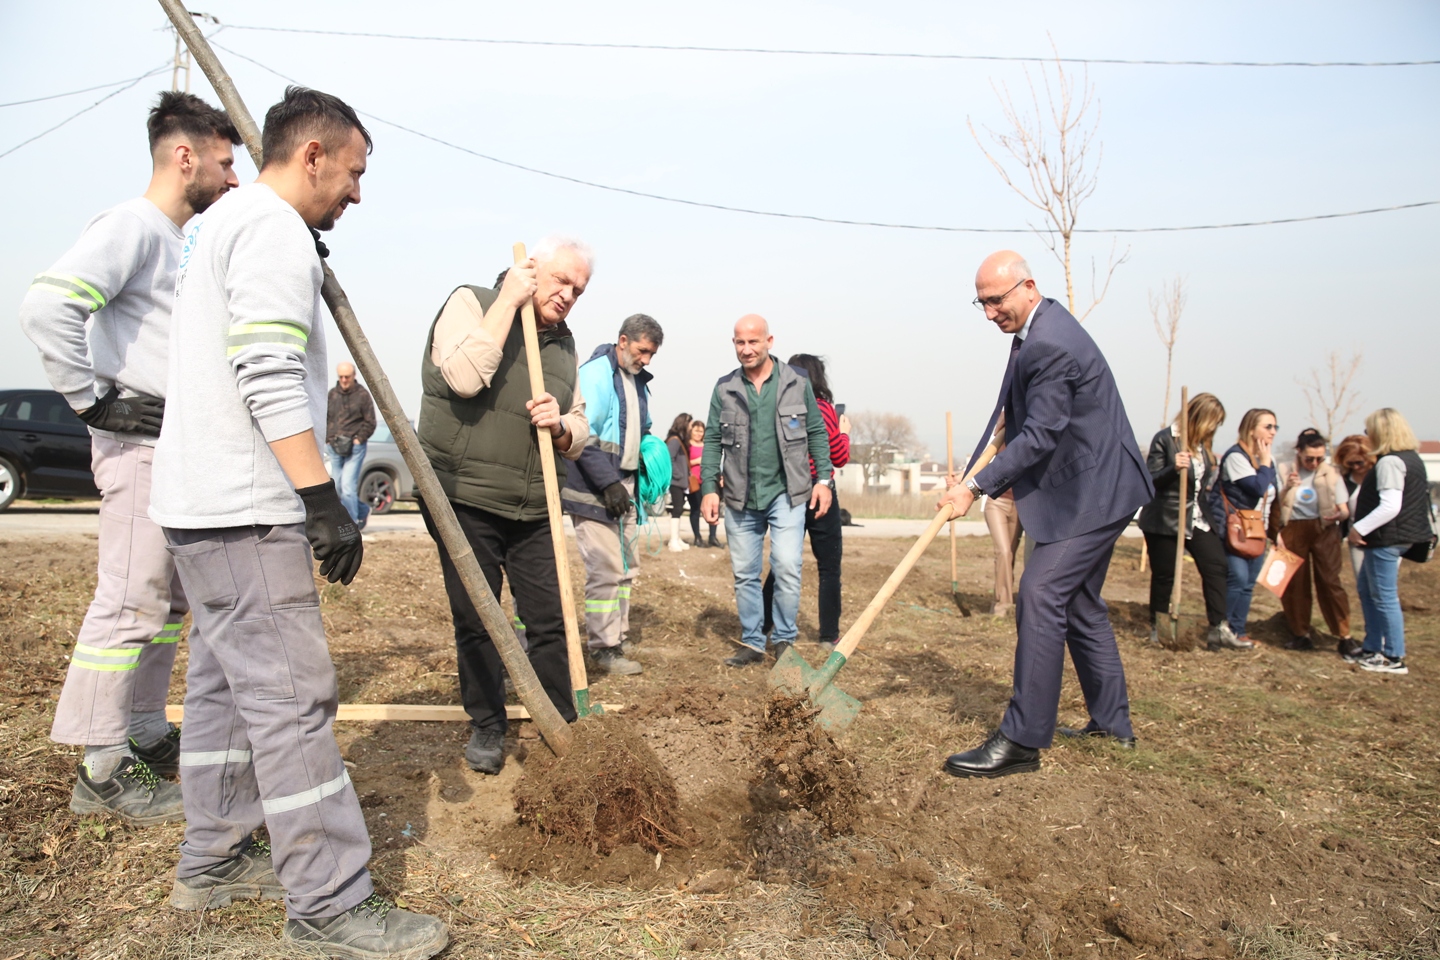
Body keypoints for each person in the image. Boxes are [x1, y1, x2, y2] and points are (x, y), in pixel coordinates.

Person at [149, 86, 446, 957]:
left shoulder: (222, 221)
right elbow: (270, 369)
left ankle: (212, 854)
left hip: (195, 505)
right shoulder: (273, 230)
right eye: (352, 173)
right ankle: (330, 903)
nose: (357, 193)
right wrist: (321, 498)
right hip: (245, 508)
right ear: (311, 155)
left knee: (222, 687)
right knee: (290, 702)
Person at [18, 92, 240, 826]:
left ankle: (142, 730)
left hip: (171, 444)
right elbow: (48, 305)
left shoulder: (176, 240)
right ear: (186, 156)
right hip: (138, 442)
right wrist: (93, 401)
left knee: (165, 605)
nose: (232, 179)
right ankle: (102, 764)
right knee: (128, 602)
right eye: (223, 161)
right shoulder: (133, 226)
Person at [937, 252, 1153, 779]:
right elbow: (1007, 419)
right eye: (981, 303)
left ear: (1028, 287)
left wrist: (977, 489)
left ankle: (1022, 739)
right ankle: (1112, 724)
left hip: (1096, 491)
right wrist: (965, 480)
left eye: (996, 300)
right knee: (1078, 603)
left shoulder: (1050, 343)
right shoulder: (1036, 332)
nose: (989, 313)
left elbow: (1038, 435)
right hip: (1092, 486)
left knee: (1039, 592)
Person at [416, 235, 591, 775]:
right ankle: (488, 724)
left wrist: (561, 426)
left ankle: (560, 722)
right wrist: (508, 304)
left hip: (535, 503)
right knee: (479, 617)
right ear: (531, 268)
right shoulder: (470, 302)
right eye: (561, 280)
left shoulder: (564, 346)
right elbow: (464, 379)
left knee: (550, 619)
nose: (568, 295)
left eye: (579, 290)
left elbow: (582, 423)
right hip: (464, 495)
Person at [699, 316, 833, 667]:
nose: (746, 349)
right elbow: (712, 439)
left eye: (753, 342)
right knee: (745, 573)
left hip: (787, 493)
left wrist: (824, 481)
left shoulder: (795, 382)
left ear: (769, 341)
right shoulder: (724, 388)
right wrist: (709, 489)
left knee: (787, 565)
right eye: (739, 343)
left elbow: (817, 432)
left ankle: (785, 640)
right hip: (740, 497)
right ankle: (753, 642)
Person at [561, 313, 663, 677]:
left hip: (626, 488)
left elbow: (639, 429)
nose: (646, 359)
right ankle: (604, 648)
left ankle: (618, 635)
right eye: (642, 350)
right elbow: (582, 437)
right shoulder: (596, 374)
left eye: (652, 354)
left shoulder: (636, 381)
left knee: (626, 570)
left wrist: (649, 456)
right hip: (596, 491)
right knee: (605, 569)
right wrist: (608, 483)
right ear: (622, 341)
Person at [762, 354, 850, 652]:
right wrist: (845, 433)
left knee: (782, 563)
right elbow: (838, 456)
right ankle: (828, 635)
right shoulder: (823, 410)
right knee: (828, 568)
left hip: (789, 492)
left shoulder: (780, 407)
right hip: (821, 491)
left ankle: (762, 626)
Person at [1137, 393, 1237, 649]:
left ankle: (1218, 627)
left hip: (1196, 518)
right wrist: (1174, 468)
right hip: (1165, 518)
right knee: (1165, 576)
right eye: (1213, 421)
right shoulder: (1166, 439)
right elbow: (1149, 480)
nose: (1214, 428)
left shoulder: (1203, 444)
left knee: (1216, 565)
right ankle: (1158, 628)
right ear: (1199, 417)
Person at [1348, 408, 1431, 675]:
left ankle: (1394, 655)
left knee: (1383, 596)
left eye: (1368, 431)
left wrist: (1358, 529)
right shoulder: (1412, 459)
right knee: (1367, 589)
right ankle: (1373, 646)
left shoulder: (1390, 463)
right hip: (1394, 537)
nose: (1366, 436)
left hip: (1387, 539)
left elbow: (1390, 506)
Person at [1274, 428, 1353, 651]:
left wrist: (1340, 515)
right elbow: (1274, 504)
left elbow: (1344, 509)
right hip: (1293, 528)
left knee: (1330, 581)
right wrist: (1288, 486)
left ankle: (1343, 635)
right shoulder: (1283, 469)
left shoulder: (1331, 473)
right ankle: (1300, 633)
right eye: (1309, 458)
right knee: (1295, 584)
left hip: (1324, 527)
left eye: (1320, 458)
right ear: (1298, 452)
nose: (1314, 462)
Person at [1207, 408, 1279, 650]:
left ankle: (1239, 630)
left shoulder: (1267, 460)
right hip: (1234, 529)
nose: (1273, 432)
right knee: (1236, 577)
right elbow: (1256, 488)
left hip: (1259, 530)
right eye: (1267, 426)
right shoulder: (1237, 457)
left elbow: (1272, 495)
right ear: (1251, 429)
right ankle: (1222, 629)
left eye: (1275, 427)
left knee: (1248, 582)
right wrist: (1266, 466)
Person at [325, 361, 376, 527]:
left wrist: (358, 439)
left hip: (355, 447)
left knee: (347, 486)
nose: (344, 380)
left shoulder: (362, 395)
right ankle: (362, 510)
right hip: (334, 446)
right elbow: (324, 418)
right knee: (338, 488)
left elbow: (370, 422)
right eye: (341, 377)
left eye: (347, 376)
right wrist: (328, 438)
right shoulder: (332, 394)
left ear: (354, 376)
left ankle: (351, 525)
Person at [1334, 434, 1375, 585]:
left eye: (1359, 462)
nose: (1356, 467)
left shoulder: (1379, 476)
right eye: (1350, 463)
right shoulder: (1343, 479)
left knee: (1382, 588)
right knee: (1363, 585)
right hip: (1356, 539)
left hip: (1382, 539)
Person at [664, 413, 693, 552]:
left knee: (679, 508)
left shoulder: (678, 440)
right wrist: (679, 475)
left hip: (679, 481)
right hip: (675, 481)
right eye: (690, 425)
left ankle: (676, 538)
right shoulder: (675, 440)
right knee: (676, 509)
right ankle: (673, 541)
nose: (691, 428)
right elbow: (669, 458)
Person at [688, 420, 719, 546]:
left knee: (712, 509)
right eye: (696, 430)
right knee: (695, 510)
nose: (698, 433)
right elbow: (683, 463)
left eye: (701, 431)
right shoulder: (687, 445)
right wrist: (697, 461)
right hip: (694, 483)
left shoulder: (707, 446)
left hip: (708, 482)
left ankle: (713, 537)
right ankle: (697, 537)